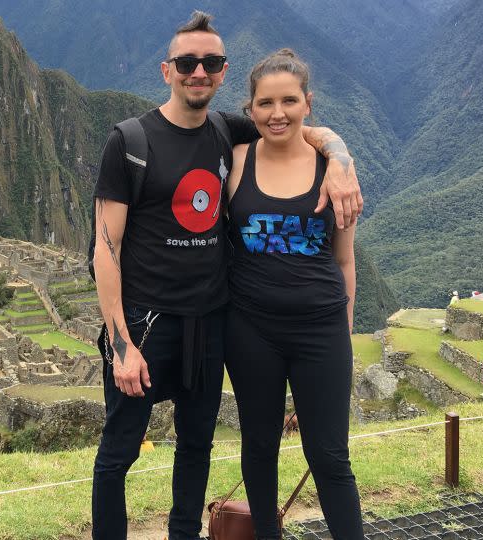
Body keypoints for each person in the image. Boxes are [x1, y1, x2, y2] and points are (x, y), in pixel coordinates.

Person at [91, 11, 361, 540]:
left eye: (210, 62)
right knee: (119, 450)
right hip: (149, 321)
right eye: (187, 62)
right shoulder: (129, 141)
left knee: (198, 446)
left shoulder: (225, 132)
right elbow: (105, 248)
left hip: (212, 321)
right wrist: (120, 342)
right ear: (167, 70)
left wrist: (341, 156)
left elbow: (294, 126)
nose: (199, 71)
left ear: (222, 70)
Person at [223, 49, 363, 539]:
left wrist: (343, 334)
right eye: (264, 103)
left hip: (321, 328)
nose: (276, 113)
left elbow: (344, 260)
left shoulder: (336, 171)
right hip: (250, 328)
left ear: (308, 102)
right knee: (259, 446)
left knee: (328, 454)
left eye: (288, 100)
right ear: (250, 109)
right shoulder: (237, 161)